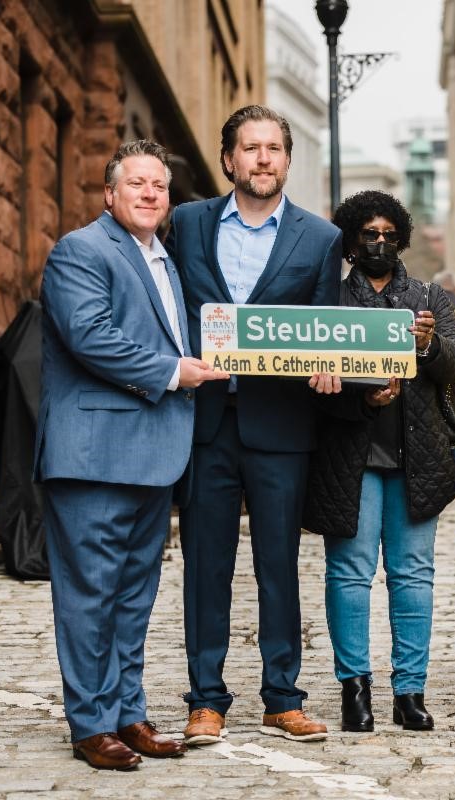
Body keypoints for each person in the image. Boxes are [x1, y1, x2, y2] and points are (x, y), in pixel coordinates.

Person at [36, 140, 228, 769]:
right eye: (138, 184)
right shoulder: (81, 251)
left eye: (161, 186)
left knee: (133, 595)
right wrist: (176, 371)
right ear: (110, 194)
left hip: (153, 454)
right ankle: (91, 724)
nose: (151, 194)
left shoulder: (164, 262)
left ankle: (126, 710)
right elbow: (92, 337)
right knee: (90, 592)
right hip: (94, 454)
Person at [166, 105, 344, 744]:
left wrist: (329, 369)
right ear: (229, 160)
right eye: (251, 148)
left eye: (274, 148)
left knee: (280, 565)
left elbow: (324, 327)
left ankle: (282, 696)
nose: (263, 159)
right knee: (204, 566)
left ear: (288, 160)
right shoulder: (186, 224)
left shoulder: (320, 238)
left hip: (280, 424)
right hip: (204, 422)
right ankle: (206, 698)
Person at [303, 190, 455, 733]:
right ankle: (355, 689)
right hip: (351, 455)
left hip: (416, 455)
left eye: (387, 235)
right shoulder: (328, 300)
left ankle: (409, 691)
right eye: (367, 234)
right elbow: (307, 380)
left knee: (412, 575)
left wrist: (427, 347)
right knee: (350, 573)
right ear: (351, 240)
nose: (378, 243)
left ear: (401, 238)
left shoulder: (428, 297)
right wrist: (353, 394)